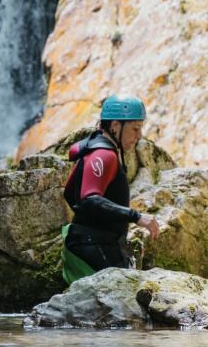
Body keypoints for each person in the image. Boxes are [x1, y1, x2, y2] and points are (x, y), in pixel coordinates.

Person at [61, 95, 162, 283]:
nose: (139, 136)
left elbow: (69, 192)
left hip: (95, 243)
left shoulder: (100, 149)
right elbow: (89, 198)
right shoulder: (103, 154)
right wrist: (136, 216)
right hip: (92, 246)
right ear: (115, 126)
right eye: (135, 129)